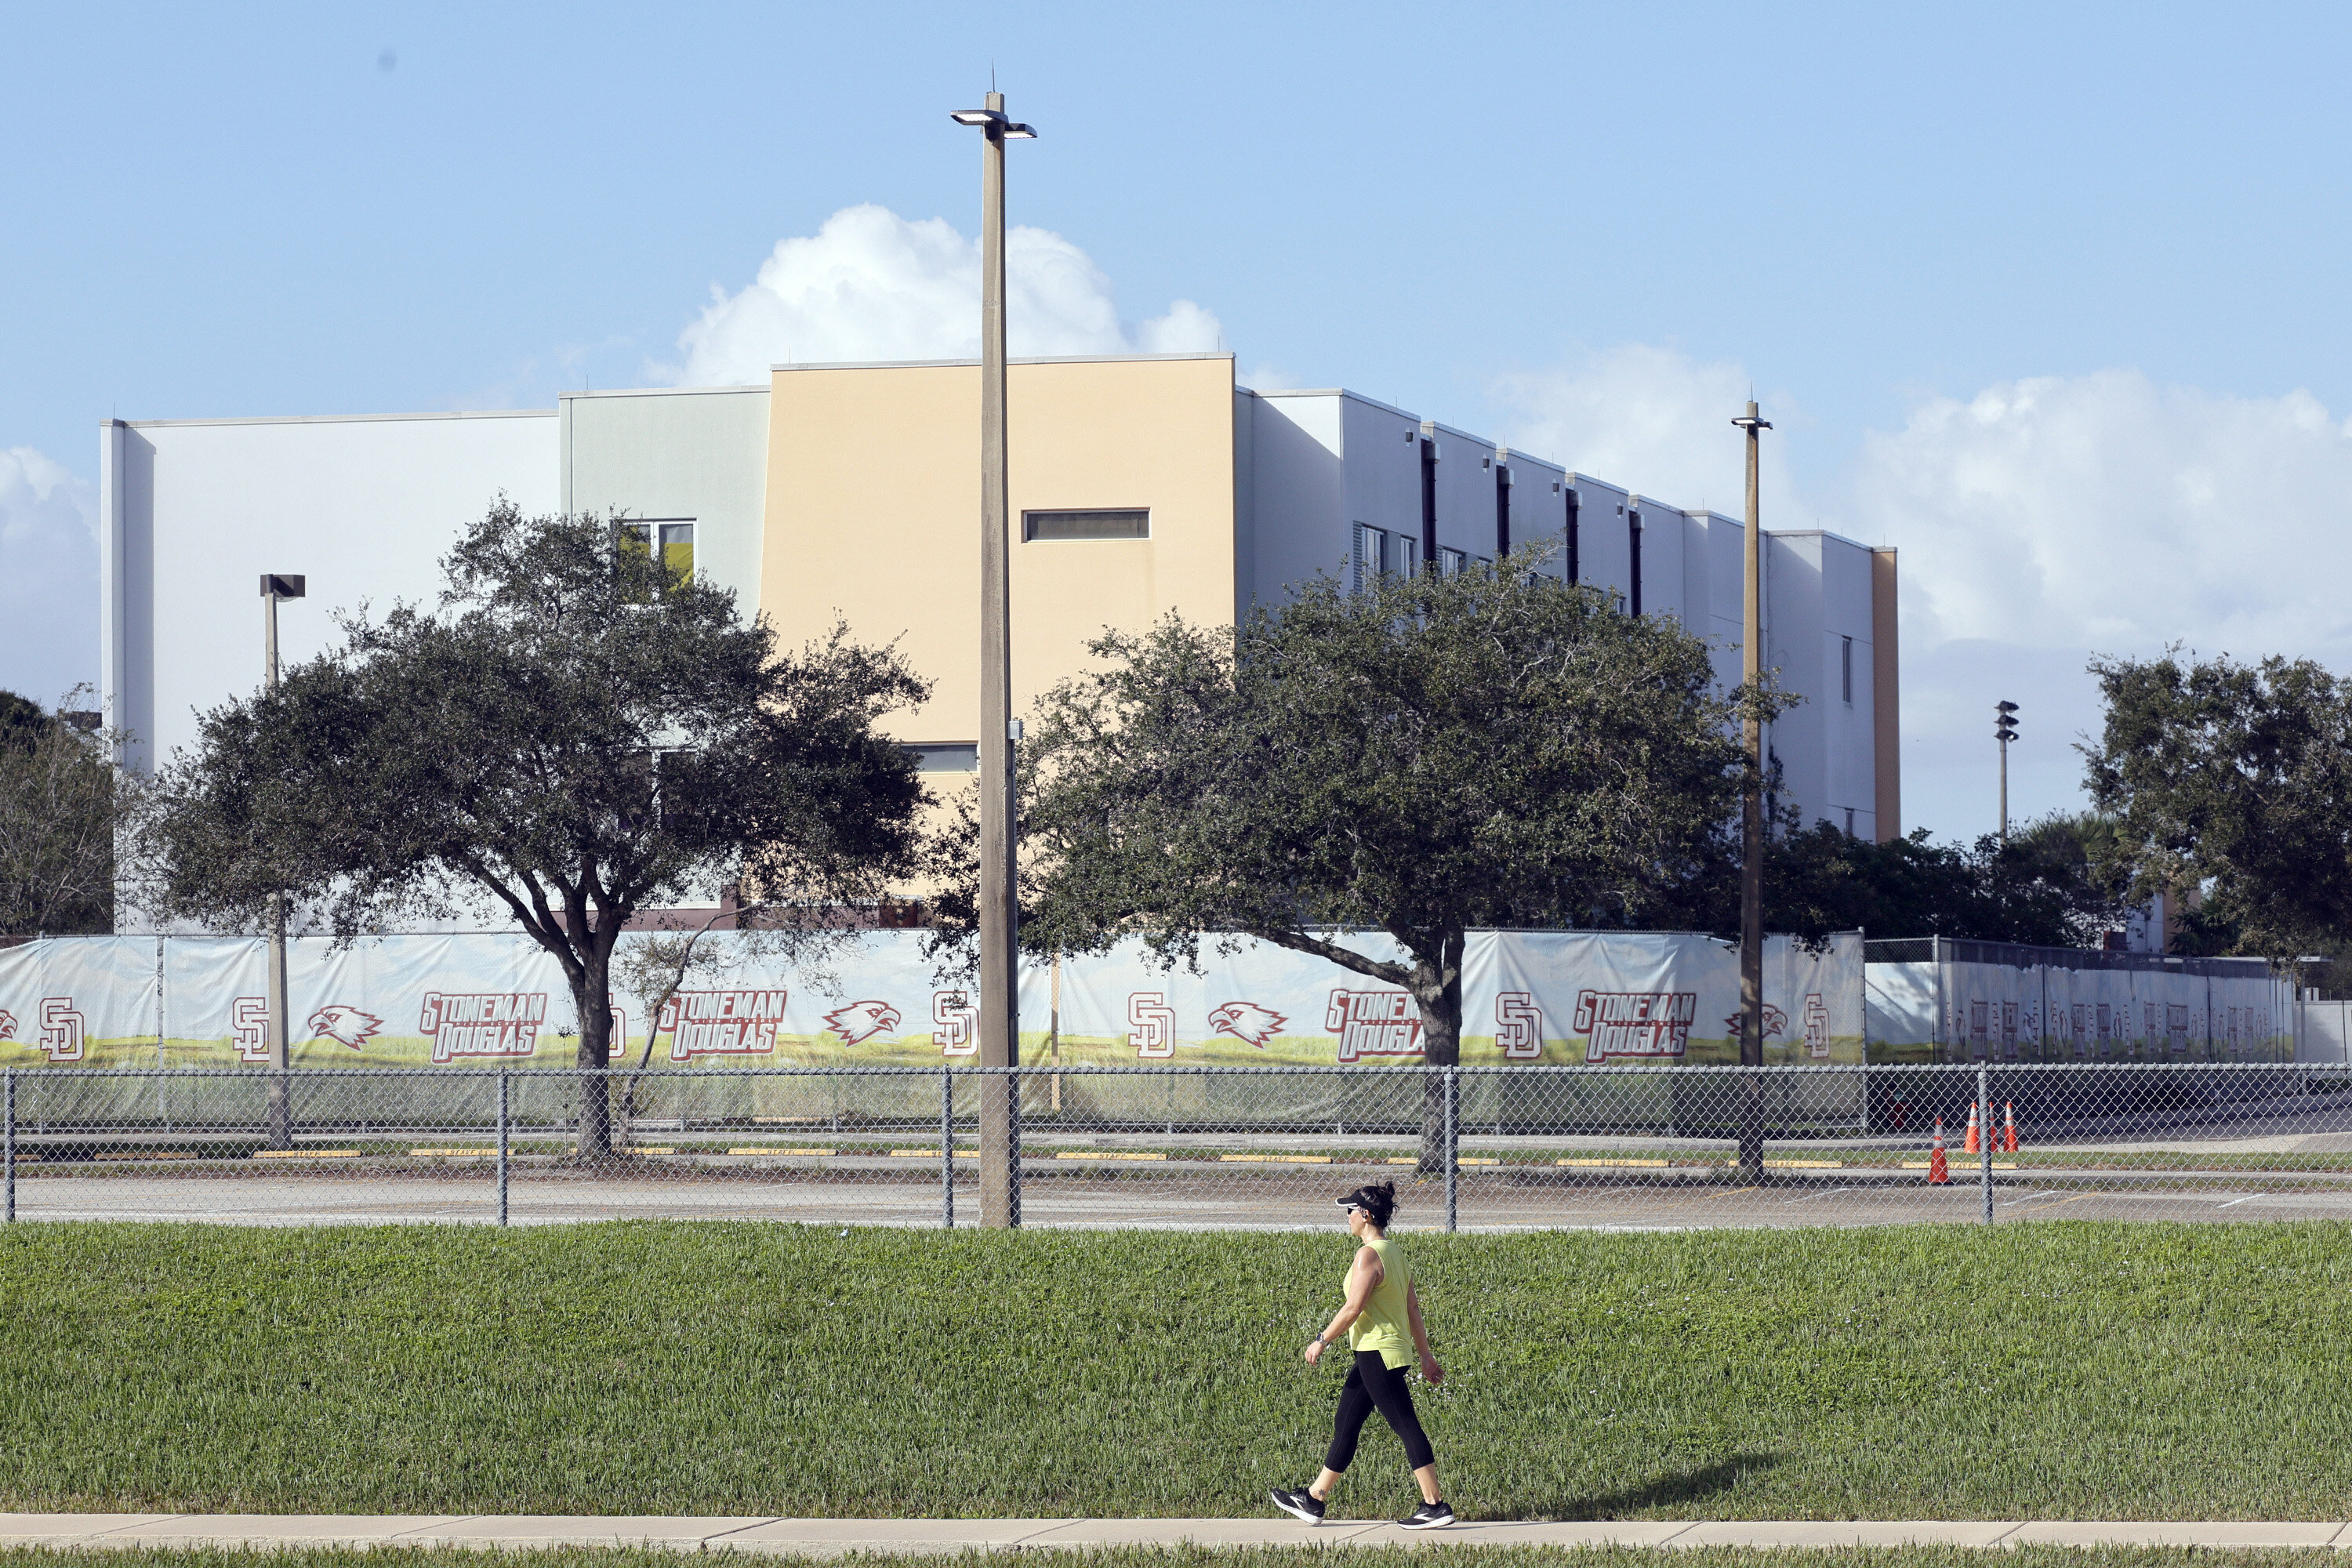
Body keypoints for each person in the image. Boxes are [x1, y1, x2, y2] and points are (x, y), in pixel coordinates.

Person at [1269, 1181, 1453, 1529]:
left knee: (1405, 1424)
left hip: (1377, 1352)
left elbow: (1354, 1307)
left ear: (1366, 1215)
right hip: (1379, 1352)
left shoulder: (1368, 1255)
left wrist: (1321, 1339)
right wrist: (1425, 1356)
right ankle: (1314, 1498)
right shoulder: (1395, 1253)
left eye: (1350, 1211)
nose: (1348, 1217)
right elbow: (1412, 1308)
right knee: (1347, 1423)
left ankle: (1435, 1505)